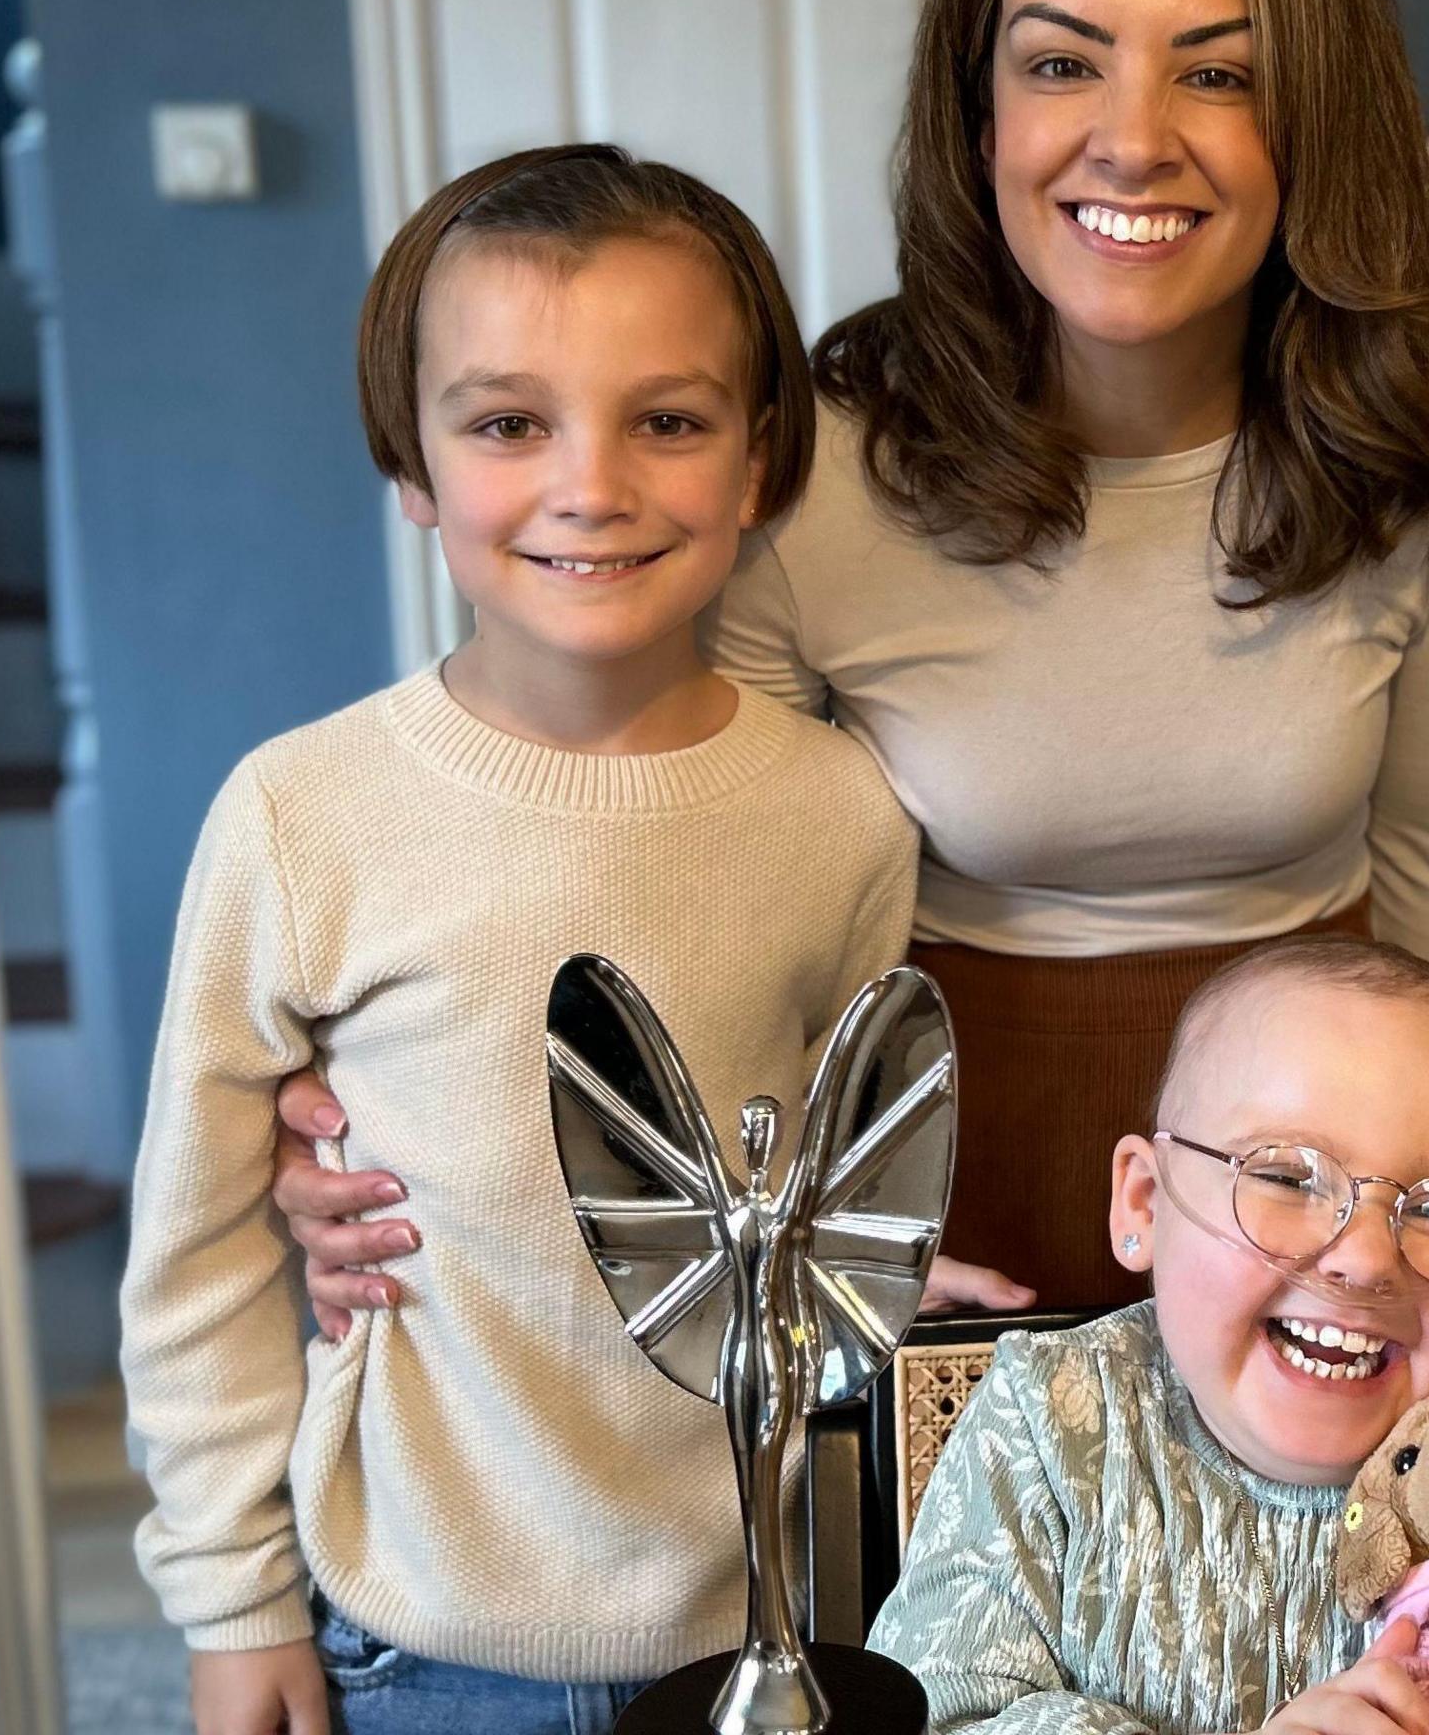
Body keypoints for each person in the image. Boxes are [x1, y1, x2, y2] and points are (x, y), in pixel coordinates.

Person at [285, 0, 1429, 1318]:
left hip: (1311, 1243)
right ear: (978, 111)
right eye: (1062, 63)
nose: (1133, 136)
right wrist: (398, 1125)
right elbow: (670, 877)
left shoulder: (1396, 460)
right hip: (923, 1233)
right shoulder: (816, 479)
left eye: (1222, 73)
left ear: (1313, 119)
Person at [118, 145, 920, 1734]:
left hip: (755, 1626)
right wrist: (231, 1598)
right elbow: (196, 1250)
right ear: (410, 465)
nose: (591, 484)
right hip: (415, 1637)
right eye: (506, 425)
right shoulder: (299, 815)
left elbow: (838, 1207)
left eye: (669, 421)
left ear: (759, 462)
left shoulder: (841, 816)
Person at [866, 935, 1429, 1735]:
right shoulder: (1051, 1423)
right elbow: (930, 1718)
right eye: (1286, 1177)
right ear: (1144, 1205)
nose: (1364, 1260)